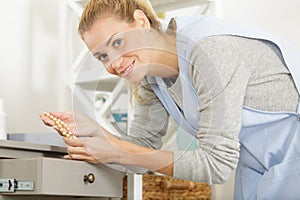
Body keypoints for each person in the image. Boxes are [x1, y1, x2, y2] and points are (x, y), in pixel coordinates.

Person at [40, 0, 300, 199]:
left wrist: (118, 150)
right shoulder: (151, 78)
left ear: (141, 22)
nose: (114, 64)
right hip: (259, 167)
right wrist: (98, 135)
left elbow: (216, 166)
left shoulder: (211, 51)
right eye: (102, 57)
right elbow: (141, 147)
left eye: (117, 43)